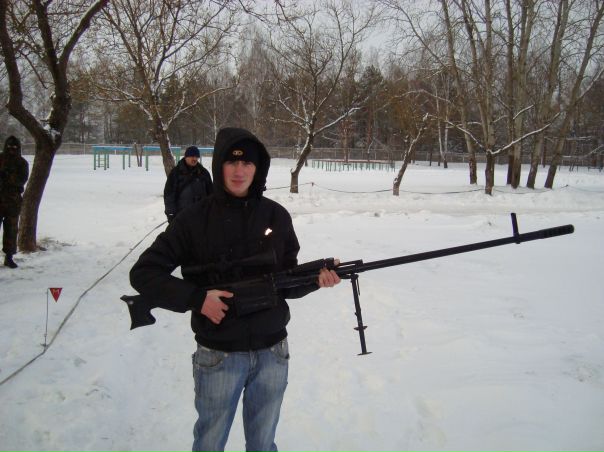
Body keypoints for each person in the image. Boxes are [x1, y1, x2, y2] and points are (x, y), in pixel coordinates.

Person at [129, 127, 340, 452]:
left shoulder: (276, 216)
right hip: (219, 355)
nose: (239, 171)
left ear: (259, 168)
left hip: (273, 353)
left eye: (248, 163)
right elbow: (144, 273)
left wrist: (315, 279)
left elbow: (283, 283)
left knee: (263, 444)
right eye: (231, 162)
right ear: (219, 165)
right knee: (210, 443)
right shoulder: (192, 219)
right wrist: (198, 299)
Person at [0, 136, 29, 269]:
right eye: (9, 147)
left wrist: (8, 177)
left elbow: (21, 180)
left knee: (11, 230)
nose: (12, 149)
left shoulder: (22, 163)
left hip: (13, 202)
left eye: (14, 147)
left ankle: (9, 257)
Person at [163, 145, 213, 223]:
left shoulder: (203, 173)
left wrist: (211, 211)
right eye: (192, 156)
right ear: (186, 157)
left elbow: (211, 193)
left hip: (201, 216)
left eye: (196, 157)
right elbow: (169, 195)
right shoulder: (176, 173)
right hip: (182, 216)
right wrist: (171, 214)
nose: (195, 159)